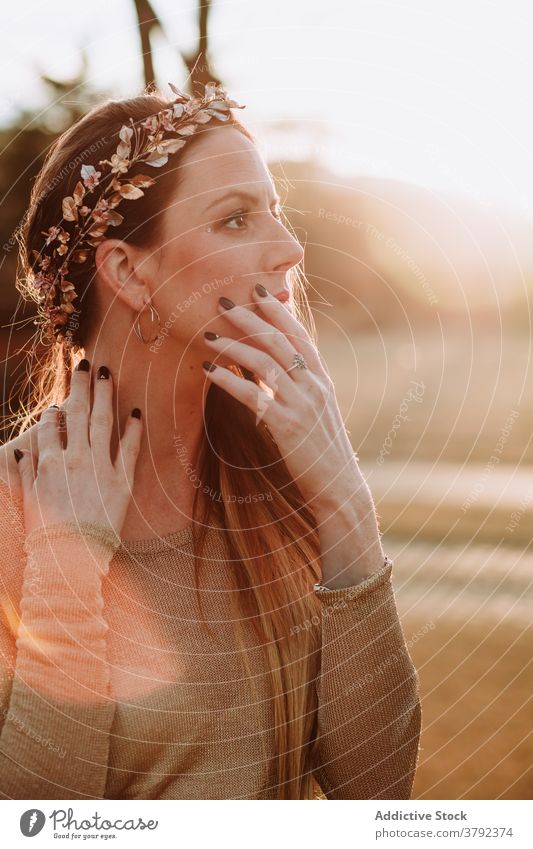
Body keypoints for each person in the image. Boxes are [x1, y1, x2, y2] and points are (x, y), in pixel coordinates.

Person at [0, 81, 421, 800]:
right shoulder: (12, 510)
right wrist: (66, 570)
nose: (288, 248)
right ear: (130, 271)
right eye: (235, 218)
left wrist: (345, 499)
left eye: (275, 212)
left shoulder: (281, 484)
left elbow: (376, 792)